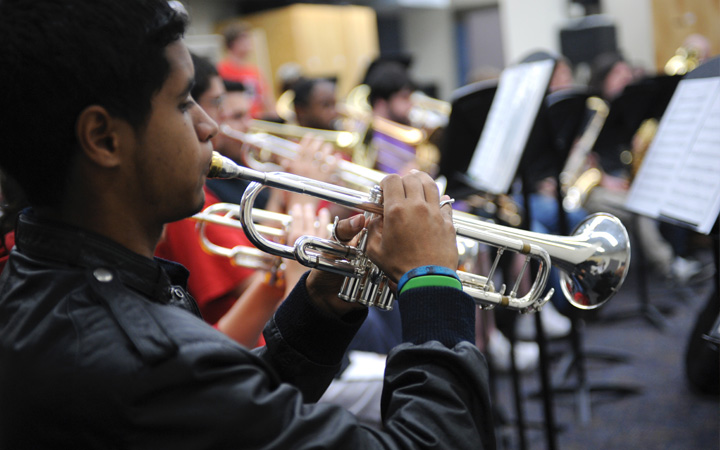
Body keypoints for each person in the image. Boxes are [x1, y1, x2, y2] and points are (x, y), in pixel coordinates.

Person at [0, 1, 496, 448]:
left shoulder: (42, 278)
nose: (209, 127)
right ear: (104, 138)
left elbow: (236, 407)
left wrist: (321, 304)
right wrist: (432, 280)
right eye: (181, 103)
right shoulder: (149, 364)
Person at [217, 21, 275, 119]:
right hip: (235, 121)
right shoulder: (220, 70)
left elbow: (267, 101)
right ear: (232, 43)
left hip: (257, 122)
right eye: (244, 38)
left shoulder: (255, 71)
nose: (249, 42)